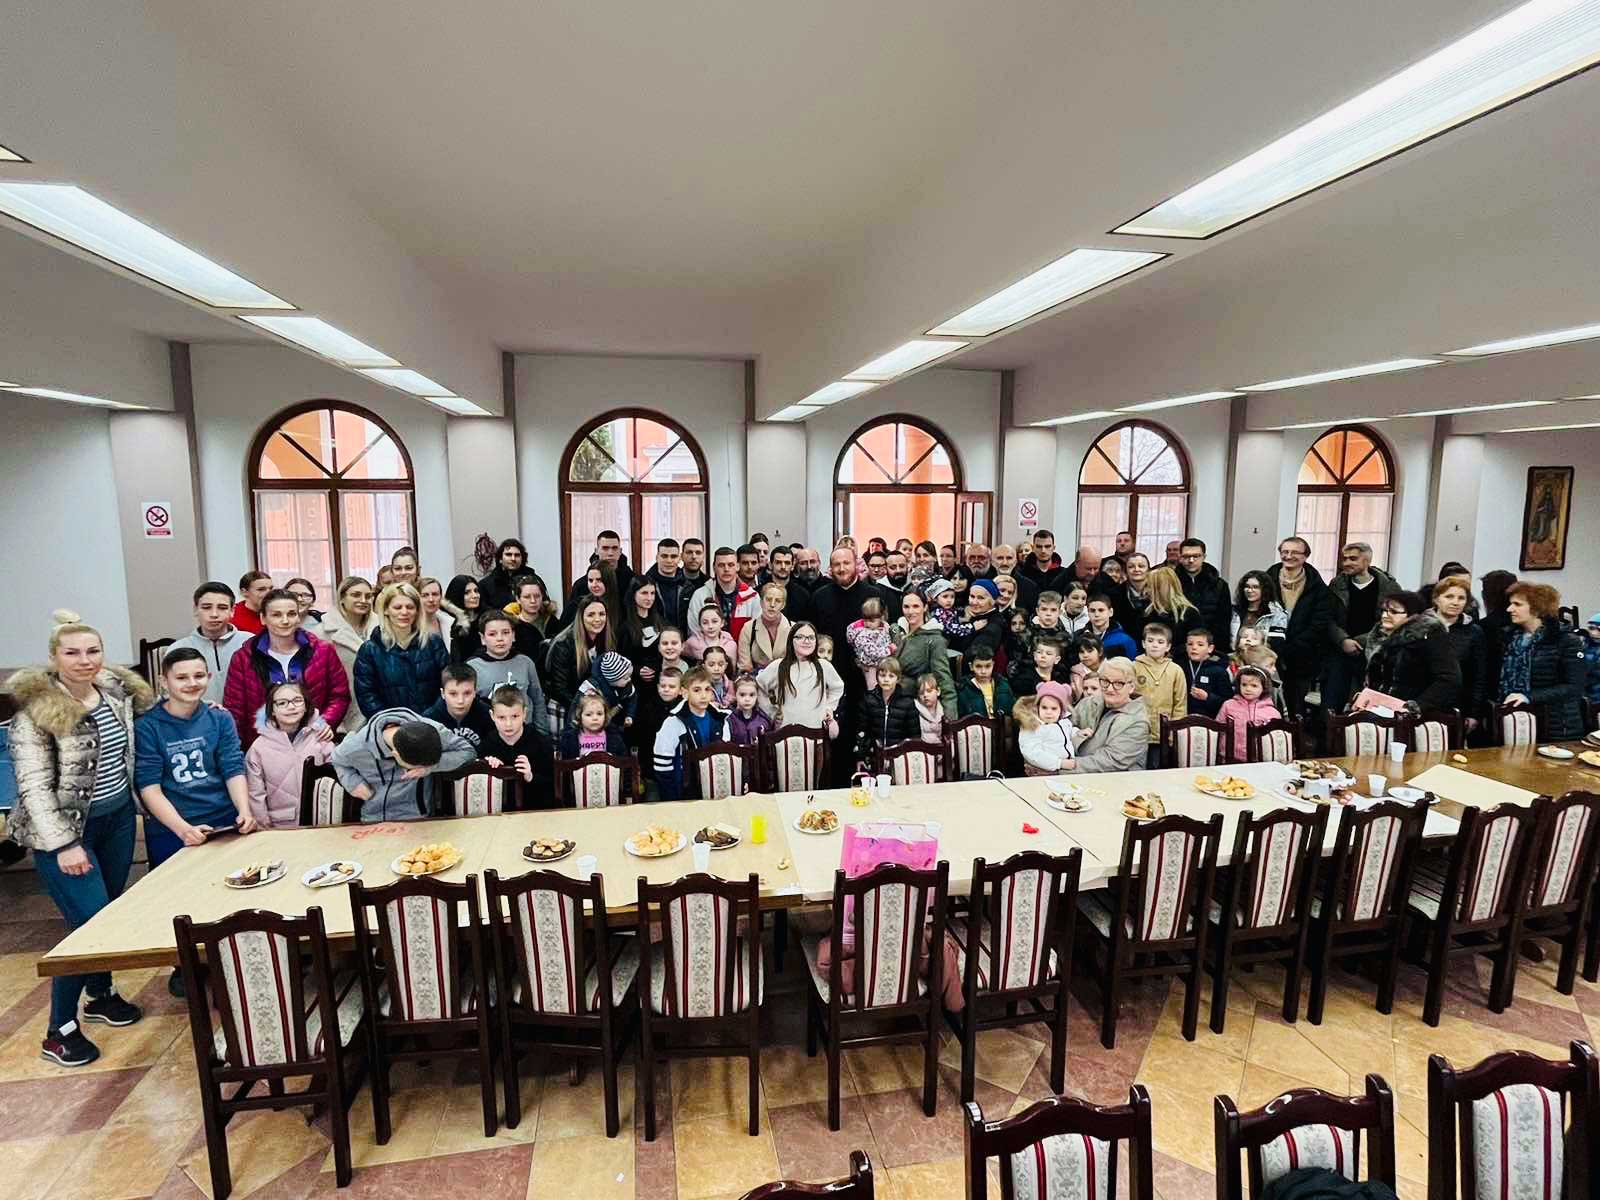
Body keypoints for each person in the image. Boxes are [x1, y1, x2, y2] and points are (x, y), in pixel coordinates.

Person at [9, 613, 153, 1065]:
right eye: (72, 652)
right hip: (67, 835)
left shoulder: (114, 693)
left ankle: (100, 994)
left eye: (93, 651)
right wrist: (63, 845)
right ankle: (59, 1030)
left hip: (117, 822)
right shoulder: (35, 714)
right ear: (54, 657)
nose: (84, 660)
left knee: (106, 914)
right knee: (87, 925)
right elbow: (33, 788)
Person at [135, 650, 256, 870]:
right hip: (172, 827)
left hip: (224, 820)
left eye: (199, 676)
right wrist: (183, 830)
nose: (192, 683)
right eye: (181, 678)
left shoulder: (220, 717)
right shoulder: (147, 726)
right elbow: (149, 787)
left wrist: (244, 811)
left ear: (208, 678)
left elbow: (233, 768)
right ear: (164, 682)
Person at [223, 588, 349, 750]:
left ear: (298, 617)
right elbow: (235, 710)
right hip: (263, 748)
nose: (285, 621)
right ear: (263, 618)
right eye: (276, 615)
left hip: (314, 744)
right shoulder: (244, 658)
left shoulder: (323, 651)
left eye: (291, 614)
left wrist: (325, 722)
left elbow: (339, 696)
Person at [332, 706, 475, 822]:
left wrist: (431, 768)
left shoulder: (433, 731)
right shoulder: (356, 745)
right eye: (414, 767)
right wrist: (353, 782)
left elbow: (467, 751)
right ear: (395, 755)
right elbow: (337, 760)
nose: (419, 769)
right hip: (373, 818)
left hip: (419, 818)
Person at [1497, 582, 1588, 740]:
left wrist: (1529, 696)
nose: (1509, 609)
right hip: (1516, 721)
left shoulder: (1565, 640)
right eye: (1510, 604)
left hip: (1557, 723)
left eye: (1517, 604)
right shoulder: (1509, 638)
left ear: (1537, 608)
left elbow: (1574, 686)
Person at [353, 582, 452, 716]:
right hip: (390, 724)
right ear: (386, 610)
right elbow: (366, 695)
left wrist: (431, 717)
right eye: (397, 607)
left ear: (417, 610)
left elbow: (448, 684)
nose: (404, 612)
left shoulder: (433, 643)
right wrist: (390, 722)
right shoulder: (369, 650)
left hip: (433, 721)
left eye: (410, 607)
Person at [1325, 542, 1402, 714]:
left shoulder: (1389, 587)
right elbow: (1327, 617)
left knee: (1367, 705)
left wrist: (1362, 641)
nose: (1347, 563)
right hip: (1340, 650)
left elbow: (1395, 619)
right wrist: (1342, 640)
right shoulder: (1336, 585)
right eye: (1345, 559)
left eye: (1353, 559)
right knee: (1332, 703)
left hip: (1375, 651)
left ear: (1367, 561)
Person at [244, 680, 333, 829]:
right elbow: (255, 795)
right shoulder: (258, 749)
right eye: (282, 703)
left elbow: (339, 775)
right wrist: (265, 830)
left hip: (321, 824)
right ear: (272, 710)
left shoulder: (320, 736)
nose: (291, 707)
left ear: (306, 705)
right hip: (280, 828)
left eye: (297, 700)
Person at [1358, 591, 1461, 713]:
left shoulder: (1430, 636)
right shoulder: (1378, 637)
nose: (1385, 615)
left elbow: (1448, 678)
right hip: (1379, 710)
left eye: (1394, 612)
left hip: (1416, 714)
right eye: (1384, 610)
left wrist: (1415, 706)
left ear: (1412, 615)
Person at [1266, 536, 1335, 720]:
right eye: (1285, 552)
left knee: (1295, 706)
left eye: (1295, 552)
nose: (1289, 556)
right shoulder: (1267, 580)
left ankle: (1295, 736)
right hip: (1269, 652)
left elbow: (1320, 622)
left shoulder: (1318, 587)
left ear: (1305, 556)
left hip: (1303, 655)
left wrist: (1294, 646)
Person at [166, 581, 252, 704]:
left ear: (232, 611)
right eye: (206, 607)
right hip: (197, 714)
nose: (214, 614)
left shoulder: (250, 643)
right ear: (196, 610)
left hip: (245, 714)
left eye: (222, 608)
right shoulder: (178, 649)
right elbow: (171, 695)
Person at [652, 667, 731, 801]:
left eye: (707, 689)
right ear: (684, 693)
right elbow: (662, 765)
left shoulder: (721, 719)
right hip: (684, 792)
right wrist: (672, 799)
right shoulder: (673, 722)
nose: (703, 695)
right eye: (696, 690)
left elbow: (725, 758)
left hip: (715, 789)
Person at [1059, 658, 1149, 773]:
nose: (1110, 689)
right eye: (1105, 681)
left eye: (1118, 684)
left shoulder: (1137, 722)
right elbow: (1060, 729)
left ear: (1131, 687)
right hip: (1075, 771)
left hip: (1117, 778)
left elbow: (1110, 761)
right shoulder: (1088, 703)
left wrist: (1058, 766)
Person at [757, 621, 845, 732]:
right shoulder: (779, 666)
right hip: (785, 732)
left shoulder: (824, 666)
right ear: (791, 640)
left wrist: (829, 707)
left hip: (815, 732)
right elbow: (759, 686)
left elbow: (838, 687)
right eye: (800, 637)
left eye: (811, 638)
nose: (806, 641)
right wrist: (771, 712)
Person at [316, 576, 376, 733]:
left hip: (377, 708)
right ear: (342, 598)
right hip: (343, 712)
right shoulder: (321, 633)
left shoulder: (382, 627)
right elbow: (318, 680)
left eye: (368, 596)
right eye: (356, 595)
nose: (363, 600)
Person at [1431, 574, 1489, 734]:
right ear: (1436, 599)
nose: (1455, 602)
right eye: (1449, 596)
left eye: (1461, 598)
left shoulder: (1474, 632)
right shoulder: (1420, 626)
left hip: (1457, 706)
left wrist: (1473, 713)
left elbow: (1479, 676)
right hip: (1421, 703)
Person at [543, 596, 616, 720]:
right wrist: (584, 708)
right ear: (581, 617)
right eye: (591, 615)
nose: (597, 619)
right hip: (568, 708)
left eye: (602, 614)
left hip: (595, 708)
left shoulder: (607, 640)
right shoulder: (564, 644)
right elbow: (559, 689)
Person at [893, 591, 957, 717]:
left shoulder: (934, 640)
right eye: (906, 607)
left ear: (925, 607)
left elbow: (944, 679)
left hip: (917, 708)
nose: (910, 611)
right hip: (892, 703)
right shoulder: (897, 632)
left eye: (916, 606)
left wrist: (950, 720)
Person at [1133, 622, 1186, 767]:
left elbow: (1180, 704)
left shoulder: (1176, 670)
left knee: (1157, 768)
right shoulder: (1134, 666)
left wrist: (1174, 731)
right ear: (1143, 643)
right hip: (1137, 731)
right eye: (1150, 641)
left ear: (1168, 646)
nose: (1155, 645)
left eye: (1160, 642)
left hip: (1164, 732)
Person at [467, 612, 544, 711]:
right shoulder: (472, 667)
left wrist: (541, 722)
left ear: (513, 635)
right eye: (492, 634)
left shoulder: (526, 663)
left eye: (506, 633)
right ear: (483, 638)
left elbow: (538, 700)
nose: (500, 638)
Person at [687, 547, 760, 644]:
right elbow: (695, 631)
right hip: (708, 652)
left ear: (738, 567)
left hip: (743, 652)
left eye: (731, 565)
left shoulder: (752, 597)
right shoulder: (700, 595)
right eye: (721, 565)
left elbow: (757, 632)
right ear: (714, 568)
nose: (726, 569)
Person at [423, 664, 499, 751]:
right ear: (443, 693)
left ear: (475, 692)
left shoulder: (489, 716)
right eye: (453, 694)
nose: (460, 701)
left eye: (467, 693)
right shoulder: (429, 720)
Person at [1174, 539, 1232, 653]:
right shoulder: (1172, 583)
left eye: (1196, 556)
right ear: (1180, 557)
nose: (1191, 560)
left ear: (1204, 557)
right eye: (1186, 556)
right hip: (1179, 646)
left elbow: (1224, 621)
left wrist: (1218, 650)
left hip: (1212, 647)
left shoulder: (1219, 585)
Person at [633, 668, 682, 800]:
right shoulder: (648, 708)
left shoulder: (683, 711)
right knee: (652, 802)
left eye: (671, 687)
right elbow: (642, 740)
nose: (666, 689)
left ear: (681, 690)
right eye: (663, 686)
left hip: (676, 769)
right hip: (651, 768)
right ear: (657, 686)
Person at [857, 657, 919, 761]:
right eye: (882, 675)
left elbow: (914, 737)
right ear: (877, 677)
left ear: (898, 679)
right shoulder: (868, 699)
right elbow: (862, 731)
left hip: (900, 758)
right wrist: (860, 758)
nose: (886, 679)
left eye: (891, 676)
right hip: (874, 757)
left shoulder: (908, 702)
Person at [1217, 666, 1282, 762]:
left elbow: (1276, 739)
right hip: (1229, 759)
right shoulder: (1228, 705)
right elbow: (1218, 730)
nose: (1248, 689)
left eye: (1254, 686)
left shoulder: (1272, 712)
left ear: (1264, 688)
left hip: (1260, 760)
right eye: (1244, 684)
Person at [1016, 682, 1079, 775]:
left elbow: (1068, 732)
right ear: (1038, 707)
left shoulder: (1063, 722)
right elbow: (1032, 752)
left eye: (1054, 708)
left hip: (1064, 768)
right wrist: (1059, 763)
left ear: (1061, 710)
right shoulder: (1032, 726)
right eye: (1044, 707)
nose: (1048, 712)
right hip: (1043, 770)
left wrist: (1077, 733)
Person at [617, 576, 666, 682]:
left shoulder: (661, 622)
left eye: (652, 593)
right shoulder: (625, 626)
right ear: (633, 594)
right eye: (644, 593)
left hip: (659, 680)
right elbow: (622, 658)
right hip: (634, 681)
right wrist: (637, 670)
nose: (649, 598)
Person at [1141, 566, 1203, 647]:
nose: (1146, 591)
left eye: (1149, 586)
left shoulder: (1190, 613)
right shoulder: (1146, 613)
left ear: (1161, 588)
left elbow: (1195, 645)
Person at [738, 581, 792, 674]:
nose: (772, 605)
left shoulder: (793, 629)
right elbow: (745, 667)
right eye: (768, 599)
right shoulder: (748, 628)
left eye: (778, 601)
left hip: (785, 678)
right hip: (756, 678)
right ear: (761, 602)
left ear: (783, 605)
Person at [556, 693, 627, 762]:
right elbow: (562, 764)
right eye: (588, 714)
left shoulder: (615, 737)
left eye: (599, 714)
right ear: (579, 716)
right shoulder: (569, 738)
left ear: (605, 716)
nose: (595, 718)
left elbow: (624, 762)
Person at [1181, 628, 1233, 720]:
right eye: (1190, 644)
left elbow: (1228, 701)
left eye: (1200, 644)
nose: (1194, 647)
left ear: (1210, 648)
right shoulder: (1179, 666)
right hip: (1183, 718)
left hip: (1210, 720)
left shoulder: (1219, 670)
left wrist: (1208, 697)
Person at [645, 538, 695, 632]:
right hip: (654, 638)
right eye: (664, 556)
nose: (669, 560)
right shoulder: (644, 585)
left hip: (682, 639)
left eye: (673, 556)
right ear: (657, 557)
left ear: (679, 558)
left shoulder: (688, 587)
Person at [1231, 570, 1288, 651]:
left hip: (1263, 657)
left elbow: (1276, 645)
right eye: (1247, 586)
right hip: (1235, 656)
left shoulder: (1276, 615)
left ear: (1265, 590)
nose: (1249, 590)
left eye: (1255, 587)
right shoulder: (1234, 612)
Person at [846, 597, 895, 690]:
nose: (868, 624)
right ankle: (873, 697)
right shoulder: (862, 634)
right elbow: (872, 652)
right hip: (870, 665)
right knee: (873, 686)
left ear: (882, 617)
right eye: (865, 620)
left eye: (872, 621)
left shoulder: (884, 626)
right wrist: (889, 650)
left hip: (883, 663)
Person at [505, 574, 554, 663]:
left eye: (537, 596)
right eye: (527, 597)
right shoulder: (511, 626)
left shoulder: (552, 622)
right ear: (518, 599)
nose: (533, 601)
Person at [556, 564, 616, 634]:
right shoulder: (575, 606)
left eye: (599, 580)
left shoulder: (617, 605)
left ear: (609, 581)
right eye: (590, 580)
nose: (594, 585)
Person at [958, 648, 1016, 719]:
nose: (983, 671)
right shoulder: (964, 689)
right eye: (978, 666)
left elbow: (1013, 711)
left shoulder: (1003, 685)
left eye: (988, 666)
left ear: (993, 665)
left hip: (1001, 725)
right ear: (971, 666)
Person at [476, 538, 529, 610]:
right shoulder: (485, 585)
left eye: (517, 555)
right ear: (500, 559)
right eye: (508, 555)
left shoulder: (534, 580)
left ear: (522, 559)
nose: (513, 559)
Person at [418, 577, 468, 649]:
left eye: (435, 594)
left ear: (441, 597)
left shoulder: (450, 623)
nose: (431, 599)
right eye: (425, 595)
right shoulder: (412, 626)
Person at [443, 574, 484, 660]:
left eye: (476, 591)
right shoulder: (448, 622)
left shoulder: (486, 616)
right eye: (467, 593)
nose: (474, 596)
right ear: (457, 594)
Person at [1084, 593, 1138, 660]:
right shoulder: (1079, 637)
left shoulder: (1124, 640)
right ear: (1087, 613)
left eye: (1101, 610)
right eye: (1092, 611)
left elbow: (1132, 664)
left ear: (1110, 612)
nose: (1096, 614)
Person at [728, 675, 774, 746]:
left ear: (757, 695)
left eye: (752, 695)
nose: (747, 699)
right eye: (742, 695)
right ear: (735, 695)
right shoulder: (729, 719)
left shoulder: (764, 720)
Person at [232, 570, 272, 635]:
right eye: (261, 589)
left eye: (271, 588)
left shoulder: (277, 612)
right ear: (244, 592)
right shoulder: (232, 616)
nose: (269, 593)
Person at [1072, 635, 1104, 701]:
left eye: (1090, 651)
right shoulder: (1076, 674)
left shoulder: (1111, 668)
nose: (1085, 655)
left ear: (1100, 652)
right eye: (1082, 652)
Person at [1583, 614, 1600, 705]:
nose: (1589, 631)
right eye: (1589, 628)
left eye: (1592, 628)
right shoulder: (1585, 645)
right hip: (1587, 697)